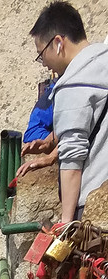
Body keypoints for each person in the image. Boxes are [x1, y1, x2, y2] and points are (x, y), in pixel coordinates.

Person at [29, 3, 108, 222]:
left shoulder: (72, 83)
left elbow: (72, 157)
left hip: (96, 207)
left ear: (58, 43)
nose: (43, 64)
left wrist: (65, 223)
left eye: (41, 54)